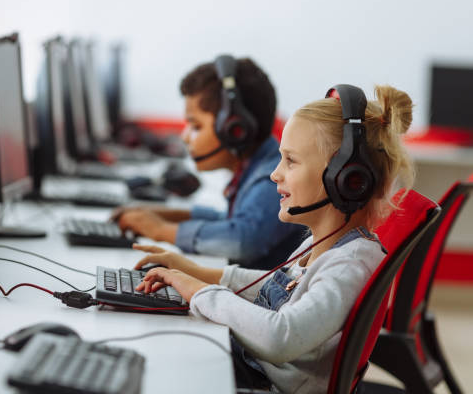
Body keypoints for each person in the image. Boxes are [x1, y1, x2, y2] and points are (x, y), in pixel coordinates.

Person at [131, 85, 414, 393]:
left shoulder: (349, 263)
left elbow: (282, 337)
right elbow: (267, 285)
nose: (275, 174)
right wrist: (187, 271)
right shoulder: (323, 244)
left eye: (291, 161)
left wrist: (199, 291)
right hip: (256, 373)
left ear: (346, 179)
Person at [114, 56, 305, 269]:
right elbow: (229, 219)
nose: (185, 137)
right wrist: (161, 214)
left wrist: (161, 230)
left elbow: (242, 239)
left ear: (234, 130)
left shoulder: (273, 179)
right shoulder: (254, 169)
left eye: (195, 126)